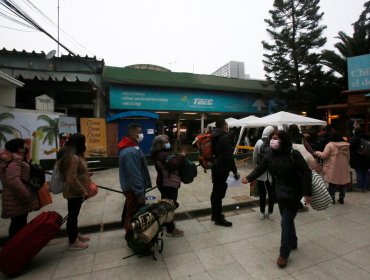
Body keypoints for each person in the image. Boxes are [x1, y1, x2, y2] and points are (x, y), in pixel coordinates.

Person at [242, 130, 312, 268]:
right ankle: (293, 242)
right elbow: (260, 168)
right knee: (287, 220)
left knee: (285, 222)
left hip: (294, 192)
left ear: (283, 140)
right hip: (279, 192)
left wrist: (307, 193)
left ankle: (283, 254)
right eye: (271, 138)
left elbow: (305, 172)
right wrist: (249, 177)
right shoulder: (269, 155)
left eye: (275, 138)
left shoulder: (293, 154)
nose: (272, 141)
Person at [118, 123, 152, 244]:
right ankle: (131, 238)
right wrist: (139, 193)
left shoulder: (132, 148)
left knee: (131, 211)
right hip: (133, 189)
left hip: (132, 187)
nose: (141, 134)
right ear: (133, 134)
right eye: (139, 131)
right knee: (132, 214)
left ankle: (133, 233)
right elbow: (134, 174)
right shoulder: (130, 152)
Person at [0, 138, 39, 239]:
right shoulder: (15, 161)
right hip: (17, 198)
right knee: (18, 224)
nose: (27, 146)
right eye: (24, 145)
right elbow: (13, 181)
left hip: (16, 198)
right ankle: (15, 250)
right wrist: (26, 196)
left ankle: (19, 249)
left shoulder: (15, 160)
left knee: (19, 223)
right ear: (19, 149)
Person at [58, 133, 90, 250]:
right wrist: (83, 191)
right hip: (74, 192)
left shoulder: (72, 154)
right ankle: (72, 242)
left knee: (74, 215)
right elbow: (71, 178)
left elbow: (75, 172)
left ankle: (75, 235)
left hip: (73, 191)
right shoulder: (73, 157)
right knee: (72, 216)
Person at [151, 134, 185, 237]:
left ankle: (167, 224)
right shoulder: (162, 155)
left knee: (166, 205)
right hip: (168, 184)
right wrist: (182, 156)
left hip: (165, 182)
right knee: (170, 206)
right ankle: (171, 230)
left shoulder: (159, 153)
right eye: (166, 142)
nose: (168, 143)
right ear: (160, 144)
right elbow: (173, 165)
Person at [211, 119, 239, 227]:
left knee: (215, 192)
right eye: (227, 126)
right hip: (222, 169)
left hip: (215, 167)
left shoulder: (213, 136)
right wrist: (235, 171)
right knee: (219, 193)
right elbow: (229, 157)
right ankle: (218, 219)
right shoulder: (225, 137)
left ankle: (215, 214)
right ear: (224, 126)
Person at [314, 132, 350, 204]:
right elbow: (348, 156)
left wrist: (317, 152)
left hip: (333, 166)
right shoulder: (346, 145)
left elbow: (324, 155)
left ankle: (332, 197)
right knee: (342, 182)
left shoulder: (330, 145)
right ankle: (341, 197)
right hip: (343, 166)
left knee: (332, 183)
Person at [252, 126, 275, 220]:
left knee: (262, 193)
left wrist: (256, 168)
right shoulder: (273, 142)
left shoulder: (258, 142)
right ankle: (270, 212)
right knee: (271, 193)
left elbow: (254, 157)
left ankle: (262, 212)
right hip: (271, 173)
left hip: (260, 172)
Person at [349, 127, 370, 192]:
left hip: (357, 158)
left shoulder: (356, 138)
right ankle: (366, 187)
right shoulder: (368, 137)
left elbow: (350, 147)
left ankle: (360, 187)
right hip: (367, 157)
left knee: (359, 172)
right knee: (366, 172)